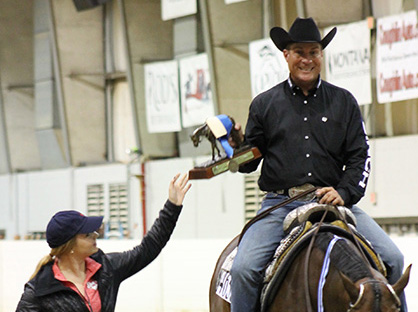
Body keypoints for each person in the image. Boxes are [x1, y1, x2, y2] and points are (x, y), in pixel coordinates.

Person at [228, 17, 407, 312]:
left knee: (394, 259)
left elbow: (359, 156)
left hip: (336, 202)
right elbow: (249, 163)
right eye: (300, 52)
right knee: (243, 270)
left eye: (314, 52)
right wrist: (238, 147)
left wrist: (344, 193)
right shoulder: (264, 104)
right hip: (280, 204)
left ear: (321, 55)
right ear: (286, 55)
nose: (307, 60)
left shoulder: (344, 102)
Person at [16, 173, 191, 312]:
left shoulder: (106, 268)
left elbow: (148, 249)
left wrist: (172, 206)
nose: (95, 236)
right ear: (69, 246)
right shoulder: (39, 291)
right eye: (87, 235)